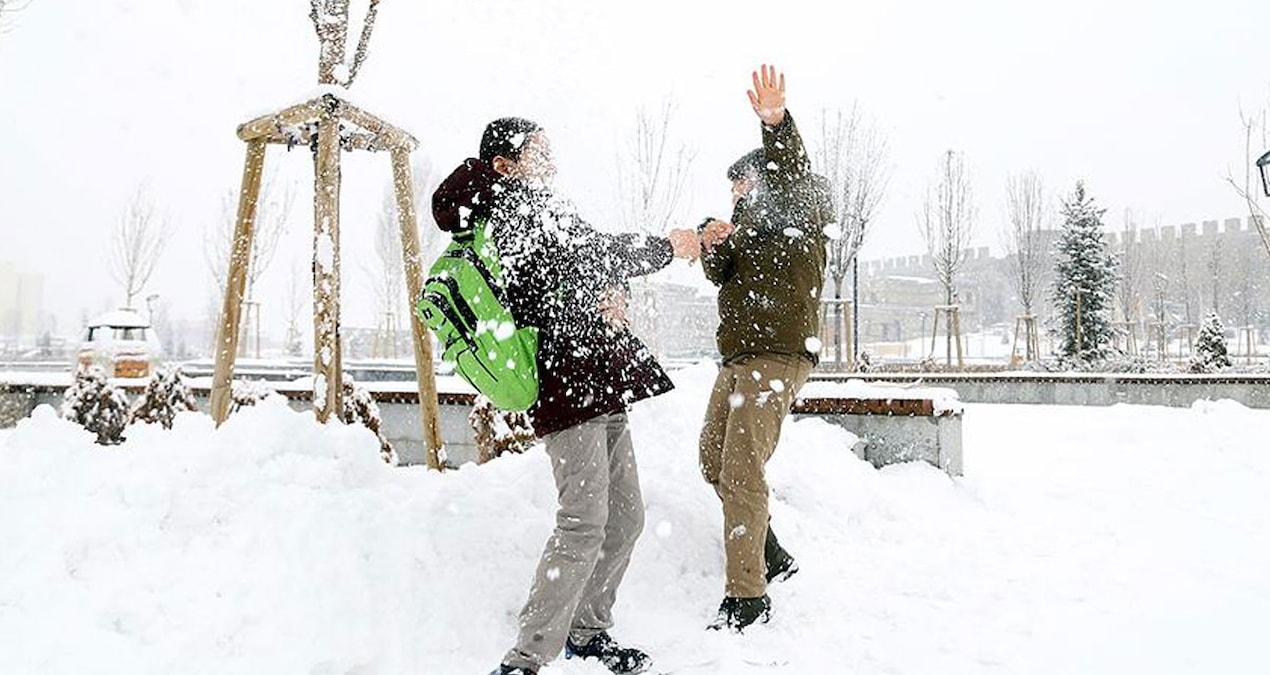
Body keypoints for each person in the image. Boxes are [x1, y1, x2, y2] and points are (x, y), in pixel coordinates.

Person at [431, 117, 701, 675]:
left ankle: (588, 632)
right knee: (583, 519)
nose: (551, 161)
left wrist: (612, 292)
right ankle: (525, 659)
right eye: (538, 152)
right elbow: (581, 261)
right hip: (564, 385)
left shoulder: (542, 207)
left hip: (598, 379)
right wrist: (662, 249)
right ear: (505, 164)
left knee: (626, 517)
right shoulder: (507, 210)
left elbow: (586, 264)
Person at [696, 65, 834, 632]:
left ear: (767, 180)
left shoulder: (798, 210)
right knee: (713, 459)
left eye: (743, 185)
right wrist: (711, 239)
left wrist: (775, 123)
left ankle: (748, 597)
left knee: (742, 469)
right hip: (739, 360)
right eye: (732, 190)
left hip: (777, 357)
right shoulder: (746, 232)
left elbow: (792, 171)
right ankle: (770, 551)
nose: (736, 195)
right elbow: (719, 274)